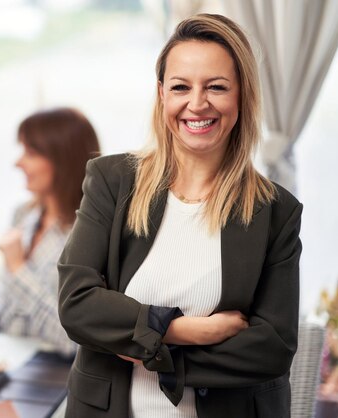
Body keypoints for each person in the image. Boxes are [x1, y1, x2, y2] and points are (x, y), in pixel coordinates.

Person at [58, 14, 302, 418]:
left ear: (242, 96)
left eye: (217, 87)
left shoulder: (276, 210)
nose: (197, 104)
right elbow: (77, 304)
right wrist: (179, 330)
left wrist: (159, 355)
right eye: (181, 87)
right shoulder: (111, 180)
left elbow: (271, 349)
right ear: (161, 94)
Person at [0, 107, 101, 357]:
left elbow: (78, 339)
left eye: (31, 152)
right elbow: (7, 299)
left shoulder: (90, 234)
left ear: (63, 159)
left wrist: (18, 270)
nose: (18, 162)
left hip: (57, 375)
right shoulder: (24, 216)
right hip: (10, 362)